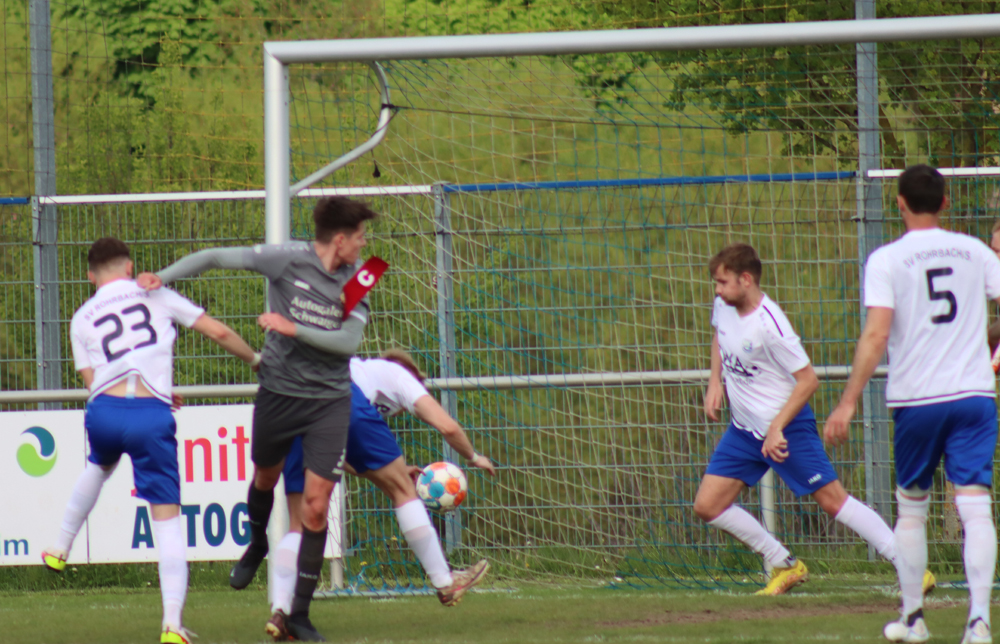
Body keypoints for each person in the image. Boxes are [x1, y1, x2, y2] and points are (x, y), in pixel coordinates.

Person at [137, 196, 378, 642]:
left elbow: (346, 343)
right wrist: (162, 277)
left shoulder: (360, 278)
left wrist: (293, 328)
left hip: (329, 400)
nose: (365, 245)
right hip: (279, 394)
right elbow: (214, 257)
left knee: (316, 505)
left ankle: (299, 615)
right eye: (361, 236)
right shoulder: (286, 260)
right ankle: (258, 543)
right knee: (265, 479)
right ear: (340, 239)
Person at [41, 237, 260, 644]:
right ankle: (172, 625)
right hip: (150, 417)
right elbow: (218, 331)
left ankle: (59, 547)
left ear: (91, 277)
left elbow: (93, 382)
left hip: (104, 412)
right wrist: (255, 360)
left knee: (99, 464)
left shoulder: (82, 315)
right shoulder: (155, 294)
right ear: (129, 268)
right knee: (167, 520)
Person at [825, 165, 1000, 644]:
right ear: (945, 203)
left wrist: (847, 401)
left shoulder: (887, 259)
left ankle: (914, 619)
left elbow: (877, 333)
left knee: (912, 509)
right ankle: (979, 621)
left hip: (917, 399)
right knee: (976, 508)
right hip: (973, 397)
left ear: (898, 203)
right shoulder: (974, 250)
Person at [696, 242, 929, 596]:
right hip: (744, 430)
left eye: (722, 282)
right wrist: (716, 381)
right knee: (708, 505)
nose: (717, 289)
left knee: (833, 500)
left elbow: (808, 381)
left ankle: (910, 567)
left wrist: (776, 428)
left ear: (746, 280)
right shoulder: (723, 305)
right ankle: (784, 563)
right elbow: (719, 336)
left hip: (785, 427)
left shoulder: (771, 325)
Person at [237, 349, 495, 641]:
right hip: (342, 398)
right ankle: (444, 580)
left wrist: (382, 472)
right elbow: (446, 426)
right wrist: (473, 457)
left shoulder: (362, 371)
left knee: (298, 522)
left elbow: (341, 456)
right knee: (403, 489)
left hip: (297, 405)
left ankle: (280, 611)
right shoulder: (400, 377)